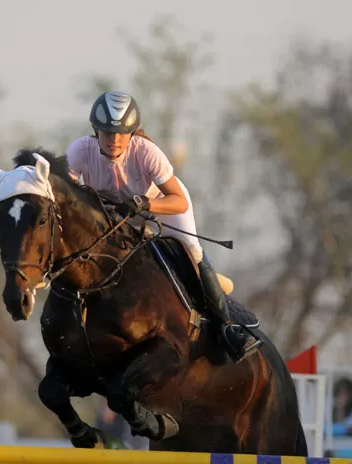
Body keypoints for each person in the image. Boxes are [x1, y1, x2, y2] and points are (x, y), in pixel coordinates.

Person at [65, 91, 261, 364]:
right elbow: (68, 198)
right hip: (116, 215)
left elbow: (178, 200)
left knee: (191, 250)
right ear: (95, 130)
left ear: (132, 133)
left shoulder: (147, 153)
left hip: (163, 208)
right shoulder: (78, 152)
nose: (114, 140)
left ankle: (227, 327)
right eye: (108, 133)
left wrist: (144, 204)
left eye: (122, 133)